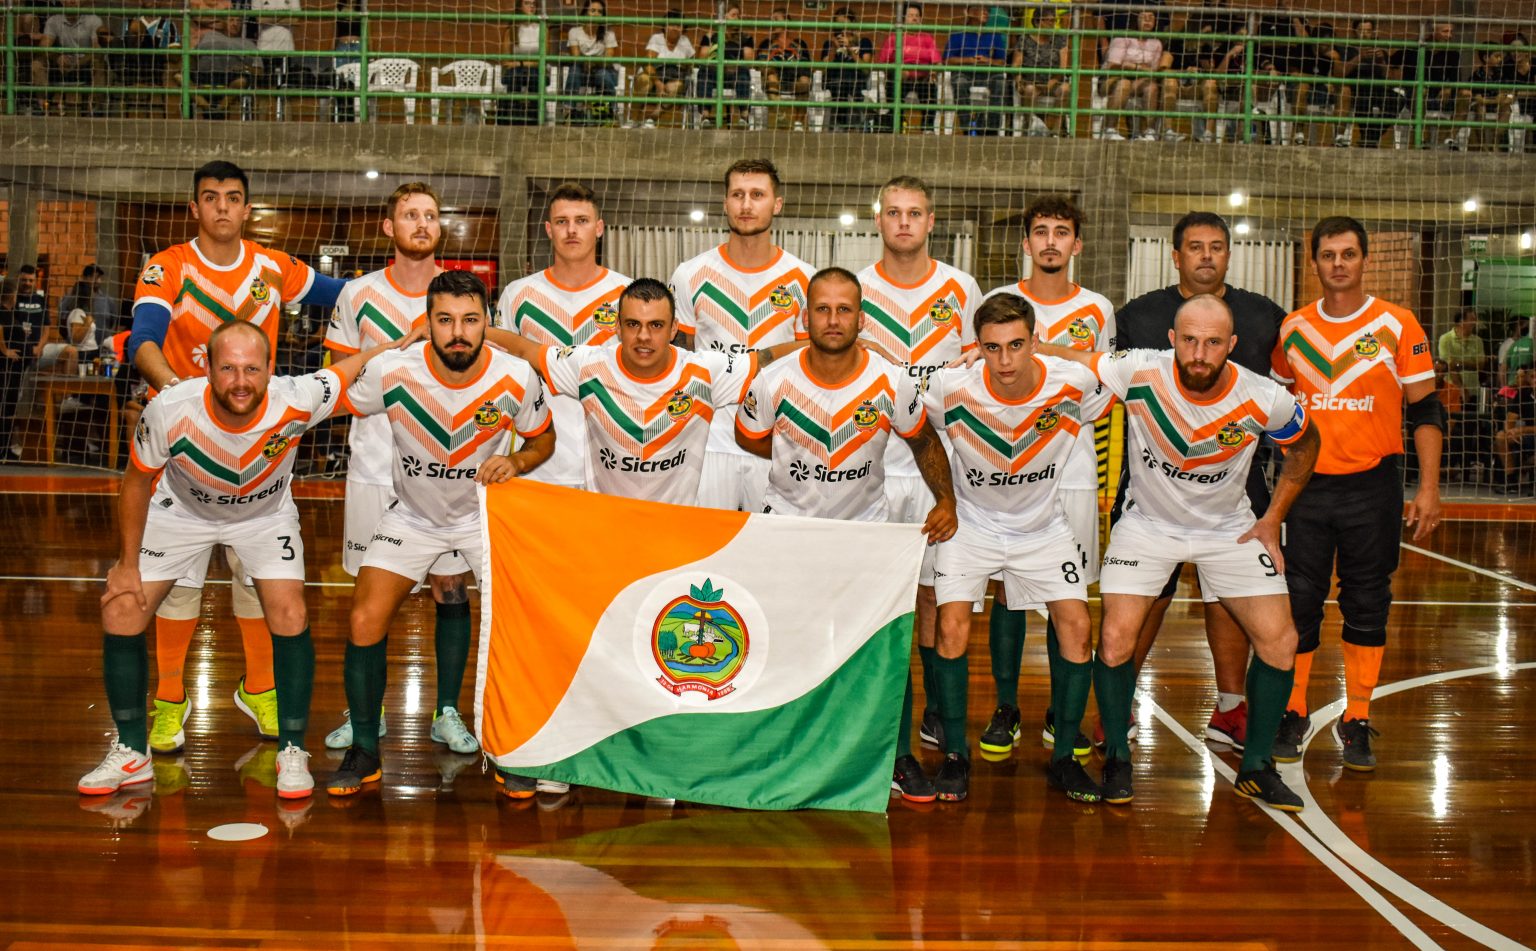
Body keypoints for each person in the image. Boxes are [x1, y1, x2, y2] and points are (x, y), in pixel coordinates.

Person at [486, 277, 808, 800]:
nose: (643, 337)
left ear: (674, 328)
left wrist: (840, 344)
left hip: (672, 540)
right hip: (604, 534)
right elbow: (524, 347)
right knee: (590, 651)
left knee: (662, 655)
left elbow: (769, 355)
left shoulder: (705, 371)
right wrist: (449, 333)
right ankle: (568, 758)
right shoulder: (586, 365)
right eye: (633, 324)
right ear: (616, 326)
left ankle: (656, 765)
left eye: (656, 326)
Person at [79, 319, 395, 800]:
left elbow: (347, 368)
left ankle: (292, 749)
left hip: (263, 518)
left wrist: (397, 344)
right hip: (182, 513)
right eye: (228, 368)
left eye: (251, 368)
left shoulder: (297, 397)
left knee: (291, 612)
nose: (241, 381)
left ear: (270, 368)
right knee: (121, 608)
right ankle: (131, 752)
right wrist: (126, 564)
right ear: (207, 369)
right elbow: (137, 481)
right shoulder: (169, 410)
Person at [1050, 295, 1320, 808]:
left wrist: (1272, 518)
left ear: (1231, 345)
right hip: (1148, 526)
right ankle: (1118, 759)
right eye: (1190, 340)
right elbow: (1073, 355)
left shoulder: (1264, 396)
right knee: (1114, 640)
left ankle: (1256, 767)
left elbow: (1306, 445)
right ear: (1172, 339)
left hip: (1229, 529)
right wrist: (1011, 347)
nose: (1199, 353)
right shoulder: (1138, 371)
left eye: (1213, 343)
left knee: (1281, 640)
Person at [125, 160, 347, 756]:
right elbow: (143, 338)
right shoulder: (168, 266)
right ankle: (169, 700)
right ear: (194, 207)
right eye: (210, 197)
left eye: (232, 197)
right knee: (178, 587)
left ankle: (261, 689)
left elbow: (345, 294)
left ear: (247, 209)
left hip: (257, 443)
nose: (222, 206)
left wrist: (411, 289)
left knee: (258, 579)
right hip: (185, 447)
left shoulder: (272, 266)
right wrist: (177, 395)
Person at [326, 270, 554, 796]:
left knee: (516, 626)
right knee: (363, 618)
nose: (458, 332)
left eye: (470, 320)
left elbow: (543, 440)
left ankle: (511, 748)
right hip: (412, 516)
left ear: (487, 322)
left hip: (480, 517)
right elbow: (335, 394)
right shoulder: (393, 371)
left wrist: (517, 461)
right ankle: (365, 750)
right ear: (426, 323)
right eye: (445, 320)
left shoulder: (516, 376)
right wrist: (382, 349)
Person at [735, 267, 958, 803]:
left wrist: (946, 499)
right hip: (790, 529)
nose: (833, 320)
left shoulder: (890, 380)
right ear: (804, 317)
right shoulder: (772, 380)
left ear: (861, 318)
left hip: (866, 531)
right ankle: (779, 753)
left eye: (844, 309)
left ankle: (899, 756)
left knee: (882, 647)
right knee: (784, 643)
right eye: (822, 309)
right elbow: (750, 438)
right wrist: (803, 463)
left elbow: (924, 441)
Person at [1270, 216, 1443, 771]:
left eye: (1348, 254)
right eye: (1328, 255)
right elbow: (1279, 409)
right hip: (1307, 486)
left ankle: (1358, 717)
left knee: (1367, 601)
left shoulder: (1398, 323)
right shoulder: (1293, 329)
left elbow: (1426, 409)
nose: (1338, 264)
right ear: (1314, 262)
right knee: (1299, 599)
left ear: (1365, 259)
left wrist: (1429, 488)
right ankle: (1293, 710)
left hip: (1374, 485)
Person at [925, 294, 1113, 802]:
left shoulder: (1072, 383)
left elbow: (1127, 378)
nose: (1005, 360)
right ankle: (955, 755)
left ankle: (1063, 759)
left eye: (1016, 345)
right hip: (972, 527)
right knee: (950, 626)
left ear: (1035, 341)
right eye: (992, 348)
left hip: (1042, 529)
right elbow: (915, 431)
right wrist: (944, 497)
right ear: (976, 346)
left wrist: (1060, 352)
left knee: (1077, 627)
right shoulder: (949, 387)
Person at [1111, 212, 1287, 752]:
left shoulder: (1264, 315)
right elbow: (1095, 369)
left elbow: (1292, 387)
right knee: (1148, 596)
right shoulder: (1138, 315)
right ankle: (1119, 706)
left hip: (1238, 483)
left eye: (1216, 246)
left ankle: (1231, 708)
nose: (1206, 255)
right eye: (1195, 246)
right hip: (1153, 483)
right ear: (1175, 256)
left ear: (1229, 255)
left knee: (1229, 595)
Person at [320, 182, 483, 758]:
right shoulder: (358, 294)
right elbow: (338, 379)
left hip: (449, 471)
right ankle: (367, 712)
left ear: (441, 227)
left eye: (430, 215)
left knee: (451, 588)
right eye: (410, 215)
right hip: (373, 464)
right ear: (389, 227)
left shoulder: (460, 296)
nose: (421, 224)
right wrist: (397, 351)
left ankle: (448, 712)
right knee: (373, 594)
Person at [980, 195, 1115, 760]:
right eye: (1041, 231)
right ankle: (1006, 707)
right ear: (1027, 242)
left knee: (1069, 594)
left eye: (1062, 231)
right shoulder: (996, 300)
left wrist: (1063, 421)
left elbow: (1105, 384)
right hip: (1007, 468)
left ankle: (1064, 715)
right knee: (1007, 591)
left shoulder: (1098, 308)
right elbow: (983, 378)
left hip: (1074, 469)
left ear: (1076, 244)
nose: (1051, 241)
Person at [855, 175, 979, 770]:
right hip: (872, 463)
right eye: (893, 212)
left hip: (937, 464)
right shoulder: (856, 288)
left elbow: (976, 369)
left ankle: (932, 711)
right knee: (876, 596)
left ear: (931, 222)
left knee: (932, 593)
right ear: (878, 220)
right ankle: (876, 712)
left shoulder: (961, 287)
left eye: (915, 213)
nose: (903, 222)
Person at [670, 158, 813, 513]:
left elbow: (809, 365)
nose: (746, 204)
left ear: (777, 204)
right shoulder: (691, 274)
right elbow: (678, 362)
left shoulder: (804, 278)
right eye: (738, 194)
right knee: (706, 543)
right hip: (710, 442)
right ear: (725, 203)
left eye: (757, 195)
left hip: (774, 441)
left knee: (773, 544)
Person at [495, 181, 630, 494]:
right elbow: (501, 376)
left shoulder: (627, 293)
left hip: (612, 460)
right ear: (548, 229)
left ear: (599, 228)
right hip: (541, 463)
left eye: (581, 221)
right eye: (561, 221)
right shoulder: (518, 295)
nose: (571, 230)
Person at [943, 5, 1007, 135]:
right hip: (964, 72)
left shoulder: (994, 34)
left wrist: (988, 61)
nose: (986, 12)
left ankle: (992, 129)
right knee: (959, 82)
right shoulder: (958, 34)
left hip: (987, 72)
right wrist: (969, 60)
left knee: (1000, 81)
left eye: (987, 10)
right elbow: (947, 60)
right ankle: (968, 127)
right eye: (981, 9)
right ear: (969, 12)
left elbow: (1002, 62)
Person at [1102, 10, 1165, 140]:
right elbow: (1113, 66)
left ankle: (1148, 131)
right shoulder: (1122, 38)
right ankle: (1109, 129)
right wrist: (1138, 67)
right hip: (1112, 79)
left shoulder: (1156, 43)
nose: (1148, 20)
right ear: (1135, 20)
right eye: (1143, 17)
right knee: (1124, 84)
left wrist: (1131, 66)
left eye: (1151, 17)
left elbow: (1152, 72)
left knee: (1152, 86)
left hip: (1138, 81)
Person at [876, 4, 940, 132]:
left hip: (922, 78)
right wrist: (897, 70)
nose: (914, 18)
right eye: (911, 15)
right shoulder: (894, 38)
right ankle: (896, 127)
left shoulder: (927, 38)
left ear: (920, 19)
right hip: (900, 78)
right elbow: (882, 63)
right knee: (894, 85)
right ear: (904, 18)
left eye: (917, 16)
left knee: (930, 90)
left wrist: (933, 72)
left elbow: (937, 62)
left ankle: (928, 128)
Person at [695, 2, 755, 129]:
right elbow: (702, 57)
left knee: (744, 72)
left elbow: (749, 59)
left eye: (738, 15)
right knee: (703, 72)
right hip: (715, 73)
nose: (737, 18)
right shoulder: (711, 36)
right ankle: (705, 117)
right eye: (734, 15)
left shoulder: (746, 37)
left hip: (735, 74)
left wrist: (730, 62)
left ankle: (744, 118)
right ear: (724, 17)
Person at [39, 8, 110, 115]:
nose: (72, 1)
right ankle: (42, 106)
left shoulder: (93, 20)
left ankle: (95, 109)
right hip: (61, 66)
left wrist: (79, 62)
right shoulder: (54, 20)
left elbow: (97, 49)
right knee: (37, 64)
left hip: (86, 64)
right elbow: (43, 46)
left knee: (99, 62)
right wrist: (58, 57)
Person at [634, 9, 694, 128]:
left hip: (673, 76)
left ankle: (652, 118)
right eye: (671, 24)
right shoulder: (657, 38)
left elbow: (692, 64)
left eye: (678, 25)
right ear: (665, 26)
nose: (675, 28)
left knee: (677, 86)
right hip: (654, 75)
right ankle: (633, 119)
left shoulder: (685, 41)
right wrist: (658, 83)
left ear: (683, 28)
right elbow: (648, 64)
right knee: (644, 80)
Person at [564, 0, 620, 125]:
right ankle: (568, 112)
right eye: (592, 10)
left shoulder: (609, 34)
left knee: (602, 75)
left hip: (603, 69)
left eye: (600, 12)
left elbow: (609, 58)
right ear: (585, 13)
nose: (596, 14)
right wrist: (592, 60)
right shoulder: (574, 32)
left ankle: (612, 112)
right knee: (574, 71)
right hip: (582, 68)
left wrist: (593, 62)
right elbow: (576, 56)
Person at [1012, 17, 1070, 135]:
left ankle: (1055, 129)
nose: (1052, 24)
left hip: (1054, 82)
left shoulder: (1060, 39)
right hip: (1030, 82)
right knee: (1029, 89)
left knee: (1065, 89)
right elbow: (1015, 64)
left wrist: (1053, 80)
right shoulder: (1025, 39)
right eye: (1048, 20)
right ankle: (1028, 125)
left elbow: (1063, 67)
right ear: (1037, 22)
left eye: (1054, 21)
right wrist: (1018, 79)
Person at [819, 7, 872, 131]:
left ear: (852, 24)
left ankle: (846, 124)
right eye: (838, 25)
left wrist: (850, 49)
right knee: (840, 80)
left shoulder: (864, 42)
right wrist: (834, 48)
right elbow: (824, 69)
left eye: (844, 23)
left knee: (846, 79)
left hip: (855, 81)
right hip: (834, 81)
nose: (842, 29)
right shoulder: (830, 44)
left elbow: (866, 70)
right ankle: (845, 125)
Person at [759, 7, 812, 129]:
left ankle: (798, 123)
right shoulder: (766, 44)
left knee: (804, 80)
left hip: (794, 77)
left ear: (786, 22)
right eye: (771, 20)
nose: (772, 23)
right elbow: (761, 64)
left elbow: (806, 65)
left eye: (776, 19)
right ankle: (781, 115)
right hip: (774, 77)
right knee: (771, 76)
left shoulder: (799, 44)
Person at [500, 0, 544, 126]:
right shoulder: (512, 30)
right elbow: (505, 60)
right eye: (527, 3)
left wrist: (520, 63)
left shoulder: (542, 28)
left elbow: (543, 59)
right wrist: (518, 65)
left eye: (534, 4)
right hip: (515, 69)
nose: (531, 6)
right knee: (514, 76)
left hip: (535, 68)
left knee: (534, 77)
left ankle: (534, 120)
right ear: (519, 7)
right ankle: (512, 119)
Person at [1437, 307, 1486, 392]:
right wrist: (1462, 390)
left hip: (1474, 391)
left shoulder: (1478, 341)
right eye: (1472, 319)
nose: (1475, 323)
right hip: (1452, 392)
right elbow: (1450, 367)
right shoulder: (1445, 339)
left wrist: (1460, 364)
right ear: (1461, 322)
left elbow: (1481, 365)